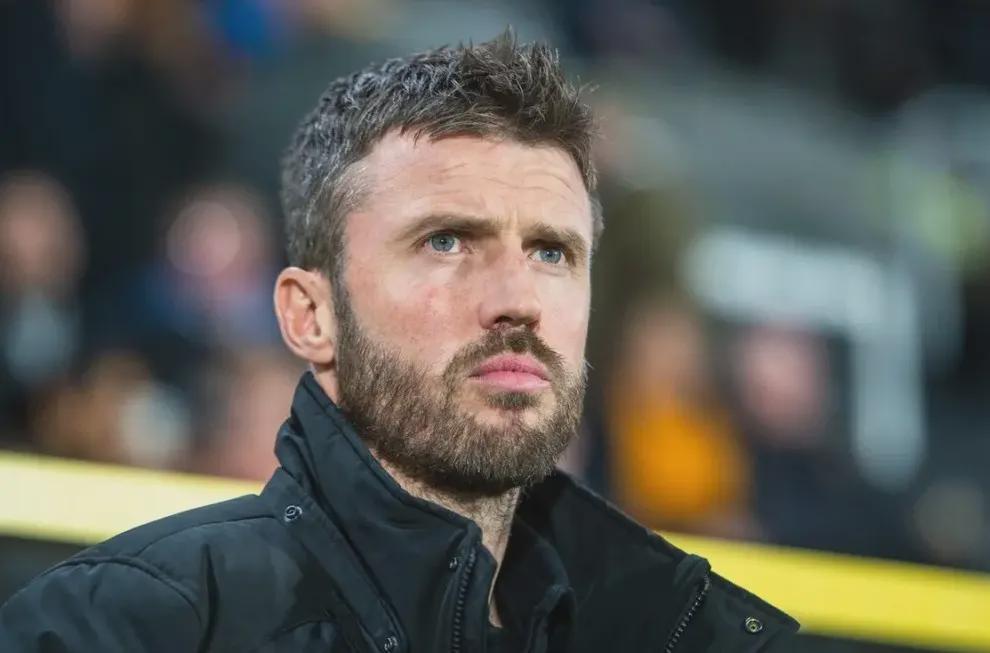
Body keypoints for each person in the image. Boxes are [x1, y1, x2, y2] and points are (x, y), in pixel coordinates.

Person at [0, 32, 799, 652]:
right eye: (446, 241)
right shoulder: (122, 627)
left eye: (552, 252)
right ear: (311, 315)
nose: (518, 300)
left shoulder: (689, 634)